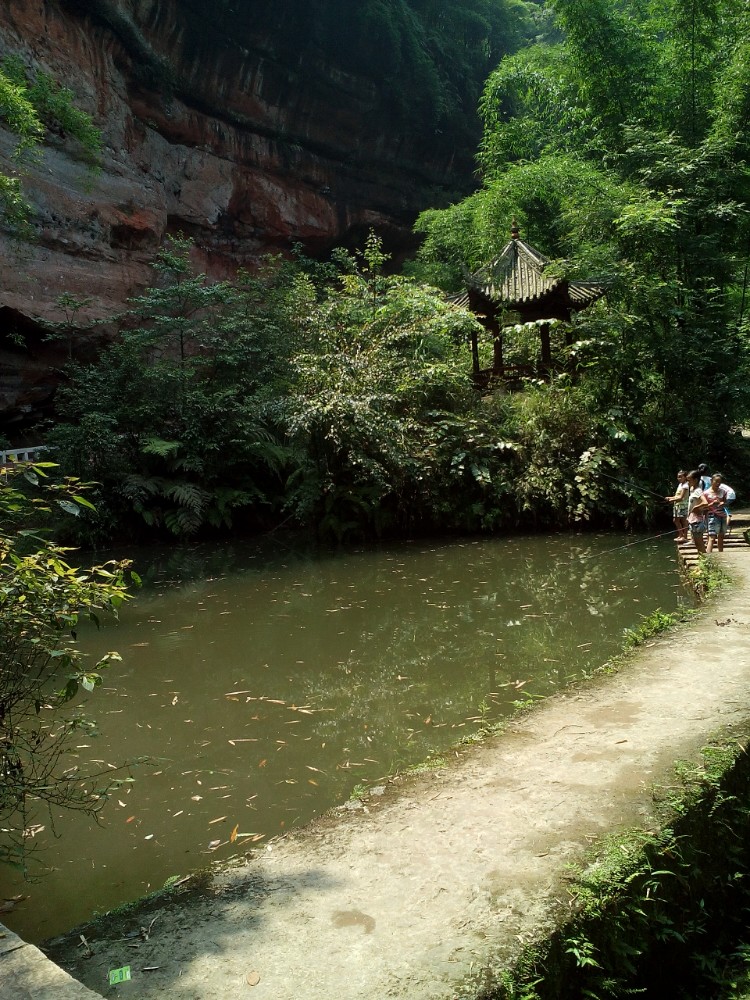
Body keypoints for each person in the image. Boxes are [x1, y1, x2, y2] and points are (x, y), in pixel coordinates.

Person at [703, 472, 728, 553]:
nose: (718, 483)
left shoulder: (723, 492)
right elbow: (703, 507)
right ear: (711, 481)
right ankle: (708, 558)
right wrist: (712, 504)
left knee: (721, 536)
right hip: (712, 516)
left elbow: (724, 503)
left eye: (719, 482)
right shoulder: (706, 493)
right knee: (712, 537)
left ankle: (721, 554)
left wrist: (722, 503)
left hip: (722, 515)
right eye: (716, 481)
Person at [686, 469, 709, 553]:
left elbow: (705, 502)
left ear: (695, 480)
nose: (687, 482)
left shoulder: (698, 491)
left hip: (697, 521)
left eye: (689, 480)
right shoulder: (692, 490)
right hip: (692, 520)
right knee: (696, 543)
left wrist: (696, 507)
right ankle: (702, 560)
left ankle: (705, 561)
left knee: (699, 543)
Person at [665, 470, 689, 542]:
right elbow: (676, 496)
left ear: (685, 477)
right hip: (677, 505)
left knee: (684, 521)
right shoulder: (680, 485)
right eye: (678, 477)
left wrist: (672, 500)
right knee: (675, 520)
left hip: (683, 506)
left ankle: (685, 537)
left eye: (680, 477)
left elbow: (681, 497)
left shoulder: (685, 486)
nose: (679, 478)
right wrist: (670, 498)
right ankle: (681, 535)